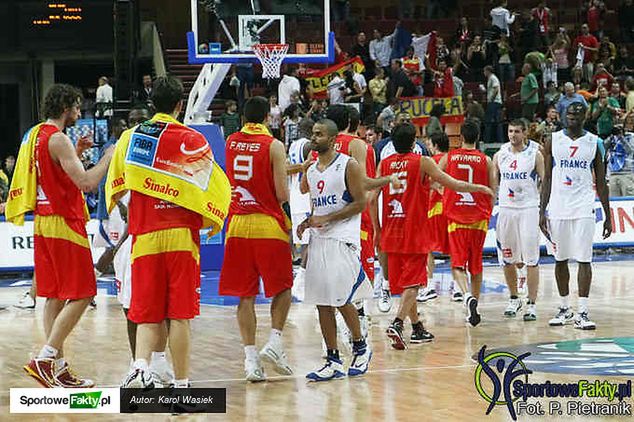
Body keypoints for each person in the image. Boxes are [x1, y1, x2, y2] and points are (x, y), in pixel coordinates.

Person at [111, 76, 230, 389]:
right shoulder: (193, 140)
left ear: (152, 102)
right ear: (180, 104)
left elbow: (117, 187)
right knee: (179, 316)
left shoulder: (130, 138)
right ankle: (181, 384)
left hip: (145, 235)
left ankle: (140, 368)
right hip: (181, 236)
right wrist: (211, 220)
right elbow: (216, 189)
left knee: (147, 313)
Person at [5, 84, 114, 387]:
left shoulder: (37, 135)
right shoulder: (58, 138)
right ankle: (44, 358)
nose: (79, 112)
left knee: (53, 296)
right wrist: (108, 157)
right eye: (77, 107)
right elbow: (87, 183)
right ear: (66, 108)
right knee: (84, 293)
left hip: (43, 221)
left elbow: (52, 172)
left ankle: (59, 368)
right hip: (63, 221)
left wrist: (76, 153)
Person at [378, 123, 493, 349]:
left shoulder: (384, 164)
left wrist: (377, 228)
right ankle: (397, 323)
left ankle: (417, 327)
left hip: (391, 228)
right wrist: (480, 189)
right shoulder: (422, 162)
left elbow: (372, 198)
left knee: (406, 284)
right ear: (414, 142)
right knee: (415, 283)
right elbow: (453, 183)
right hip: (413, 230)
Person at [298, 119, 395, 381]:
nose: (313, 138)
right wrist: (307, 223)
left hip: (343, 239)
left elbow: (361, 203)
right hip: (319, 239)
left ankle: (361, 348)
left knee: (341, 299)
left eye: (319, 134)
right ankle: (333, 360)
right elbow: (317, 206)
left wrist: (328, 219)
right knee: (322, 302)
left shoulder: (347, 165)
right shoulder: (312, 169)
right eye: (313, 134)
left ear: (332, 140)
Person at [219, 96, 294, 382]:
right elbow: (282, 194)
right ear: (267, 118)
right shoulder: (274, 145)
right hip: (267, 224)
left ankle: (250, 360)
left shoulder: (230, 142)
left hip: (237, 225)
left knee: (245, 295)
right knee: (283, 288)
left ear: (243, 117)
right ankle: (275, 341)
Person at [540, 102, 611, 330]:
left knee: (584, 259)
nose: (573, 117)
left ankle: (583, 311)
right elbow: (547, 178)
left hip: (584, 207)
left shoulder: (595, 142)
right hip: (558, 207)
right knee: (560, 259)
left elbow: (601, 182)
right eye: (570, 114)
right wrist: (542, 211)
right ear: (564, 115)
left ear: (585, 117)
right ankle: (564, 308)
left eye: (577, 114)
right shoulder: (553, 140)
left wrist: (608, 214)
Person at [439, 119, 496, 327]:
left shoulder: (449, 157)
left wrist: (445, 195)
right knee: (476, 264)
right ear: (478, 137)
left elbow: (435, 180)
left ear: (460, 137)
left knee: (457, 264)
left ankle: (466, 296)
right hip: (479, 217)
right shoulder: (486, 160)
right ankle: (475, 306)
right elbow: (493, 190)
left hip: (456, 216)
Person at [493, 120, 545, 321]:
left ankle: (532, 303)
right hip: (506, 209)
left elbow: (545, 181)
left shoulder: (535, 154)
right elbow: (494, 183)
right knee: (507, 258)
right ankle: (514, 298)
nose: (513, 135)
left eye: (516, 131)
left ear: (524, 134)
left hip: (528, 209)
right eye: (510, 131)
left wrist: (542, 208)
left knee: (531, 259)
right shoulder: (500, 154)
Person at [288, 118, 314, 300]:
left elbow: (287, 168)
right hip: (305, 198)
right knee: (309, 242)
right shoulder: (308, 146)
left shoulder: (293, 146)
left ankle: (302, 278)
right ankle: (300, 281)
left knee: (303, 241)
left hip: (294, 196)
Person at [484, 66, 504, 144]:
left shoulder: (493, 78)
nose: (484, 73)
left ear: (488, 71)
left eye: (485, 71)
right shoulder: (491, 79)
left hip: (494, 102)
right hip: (495, 102)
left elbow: (496, 89)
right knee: (497, 122)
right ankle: (499, 140)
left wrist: (491, 99)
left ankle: (487, 141)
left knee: (489, 122)